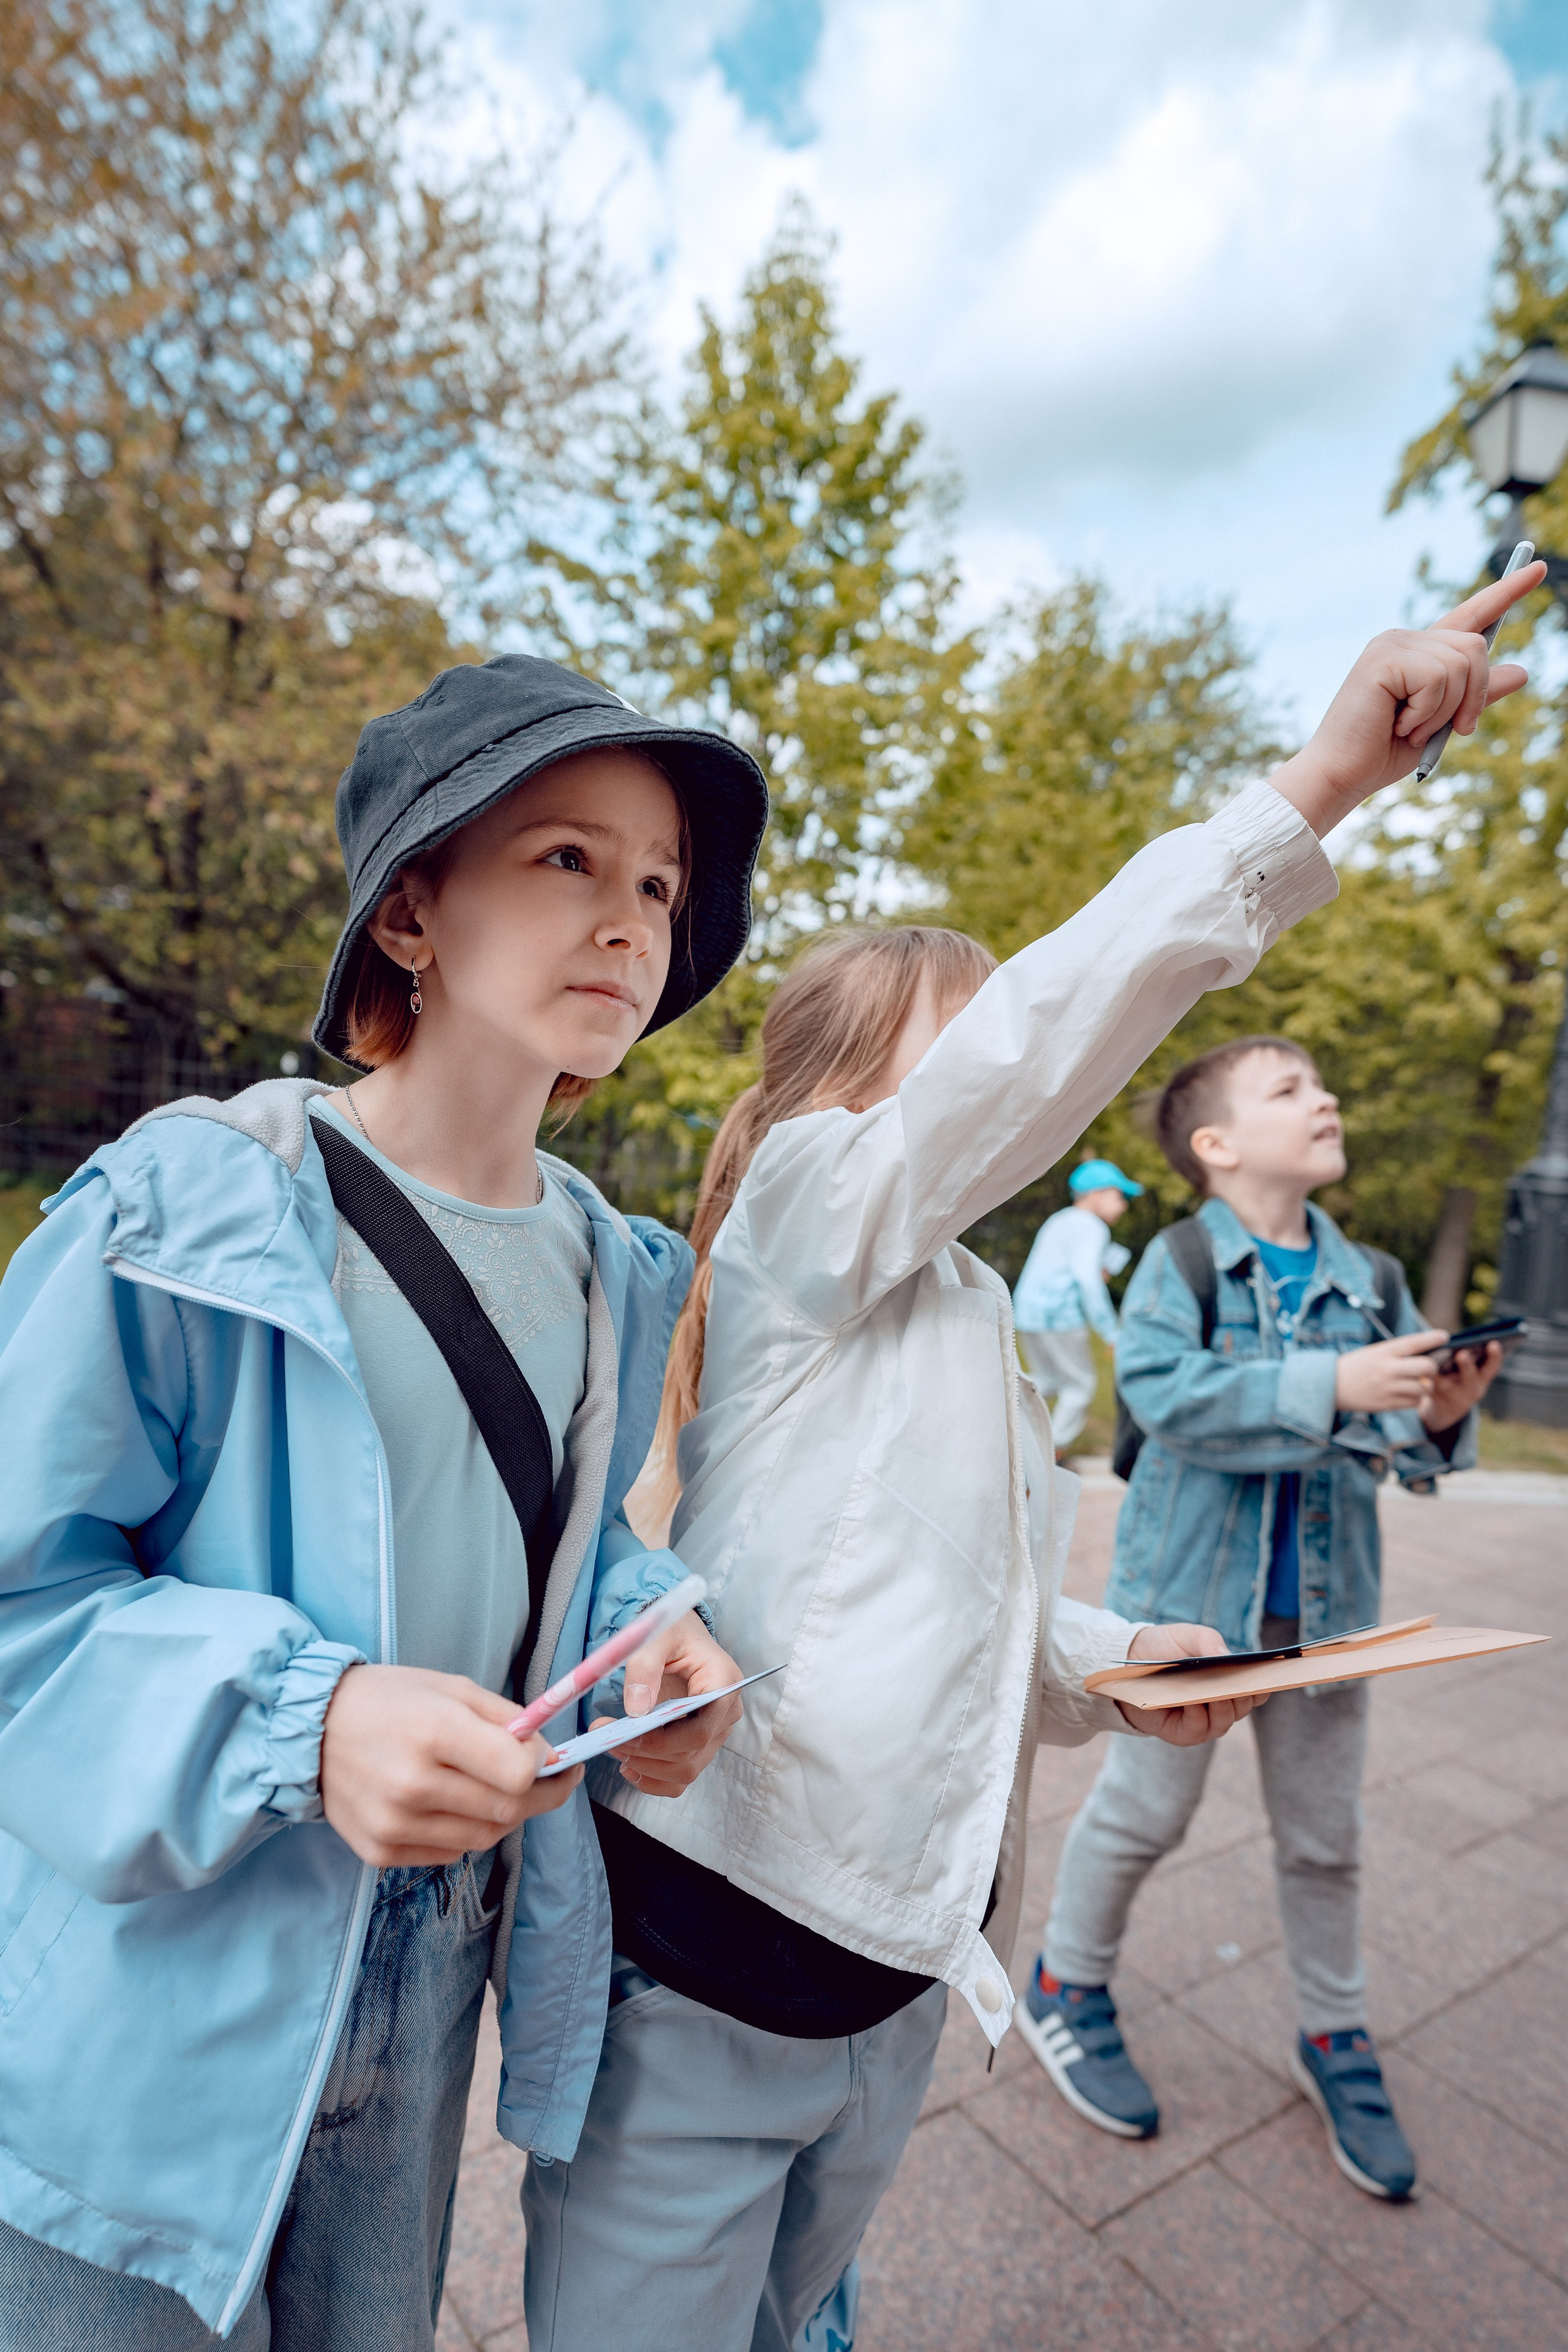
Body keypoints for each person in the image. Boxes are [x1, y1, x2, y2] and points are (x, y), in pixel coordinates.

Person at [518, 562, 1545, 2349]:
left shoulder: (965, 1306)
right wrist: (1313, 788)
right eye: (972, 1044)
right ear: (867, 1083)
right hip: (714, 1950)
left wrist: (1113, 1657)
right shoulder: (804, 1205)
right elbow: (1036, 1048)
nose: (1020, 1083)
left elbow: (933, 1594)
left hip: (889, 1978)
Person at [0, 654, 769, 2350]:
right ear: (411, 913)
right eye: (567, 857)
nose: (631, 919)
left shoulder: (618, 1270)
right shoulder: (190, 1204)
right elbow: (20, 1598)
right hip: (157, 1975)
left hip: (435, 1973)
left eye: (660, 885)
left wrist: (647, 1629)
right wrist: (311, 1718)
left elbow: (552, 1539)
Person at [1025, 1035, 1502, 2202]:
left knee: (1326, 1838)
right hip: (1186, 1611)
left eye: (1323, 1083)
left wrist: (1442, 1416)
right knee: (1144, 1812)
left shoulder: (1373, 1278)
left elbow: (1405, 1450)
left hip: (1331, 1621)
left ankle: (1335, 2032)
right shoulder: (1180, 1261)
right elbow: (1161, 1394)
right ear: (1218, 1144)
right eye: (1291, 1088)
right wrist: (1331, 1385)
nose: (1325, 1098)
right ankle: (1065, 1984)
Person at [1012, 1158, 1144, 1453]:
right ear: (1097, 1194)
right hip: (1059, 1314)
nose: (1124, 1205)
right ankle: (1050, 1452)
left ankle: (1010, 1434)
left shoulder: (1059, 1219)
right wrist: (1111, 1332)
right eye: (1119, 1196)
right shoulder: (1092, 1227)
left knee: (1044, 1380)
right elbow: (1088, 1281)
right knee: (1079, 1385)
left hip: (1029, 1313)